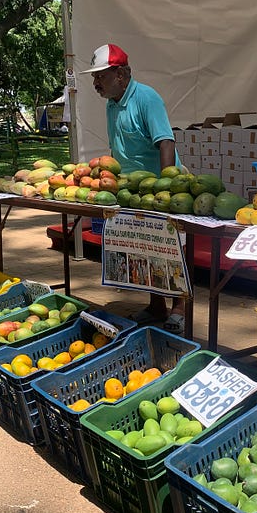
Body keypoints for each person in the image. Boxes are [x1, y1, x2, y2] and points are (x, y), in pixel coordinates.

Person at [81, 43, 186, 334]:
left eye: (101, 76)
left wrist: (167, 186)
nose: (96, 83)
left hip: (158, 189)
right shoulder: (112, 105)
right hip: (130, 189)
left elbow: (165, 141)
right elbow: (117, 148)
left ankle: (178, 307)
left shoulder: (146, 98)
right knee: (142, 249)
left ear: (122, 74)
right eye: (95, 77)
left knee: (168, 250)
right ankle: (156, 306)